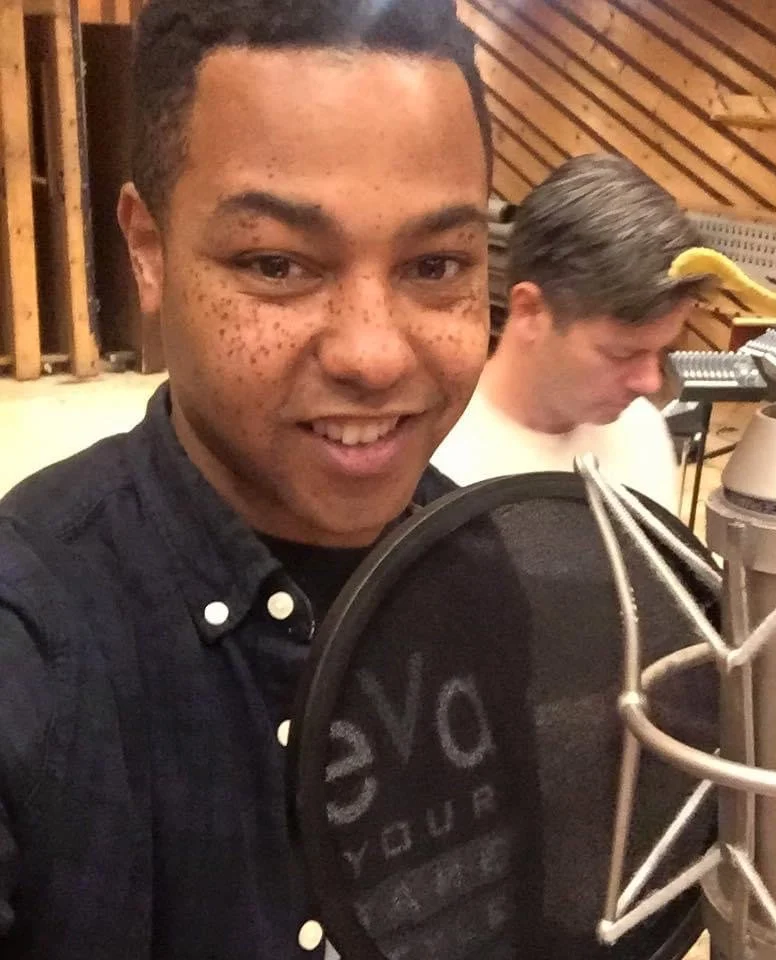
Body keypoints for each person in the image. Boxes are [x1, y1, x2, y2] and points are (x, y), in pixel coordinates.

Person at [0, 0, 495, 955]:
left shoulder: (489, 563)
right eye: (276, 264)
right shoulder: (32, 643)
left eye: (436, 264)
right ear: (148, 250)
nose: (374, 354)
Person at [432, 155, 709, 511]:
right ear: (531, 311)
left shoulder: (643, 431)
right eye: (622, 354)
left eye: (661, 352)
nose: (650, 383)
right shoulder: (437, 464)